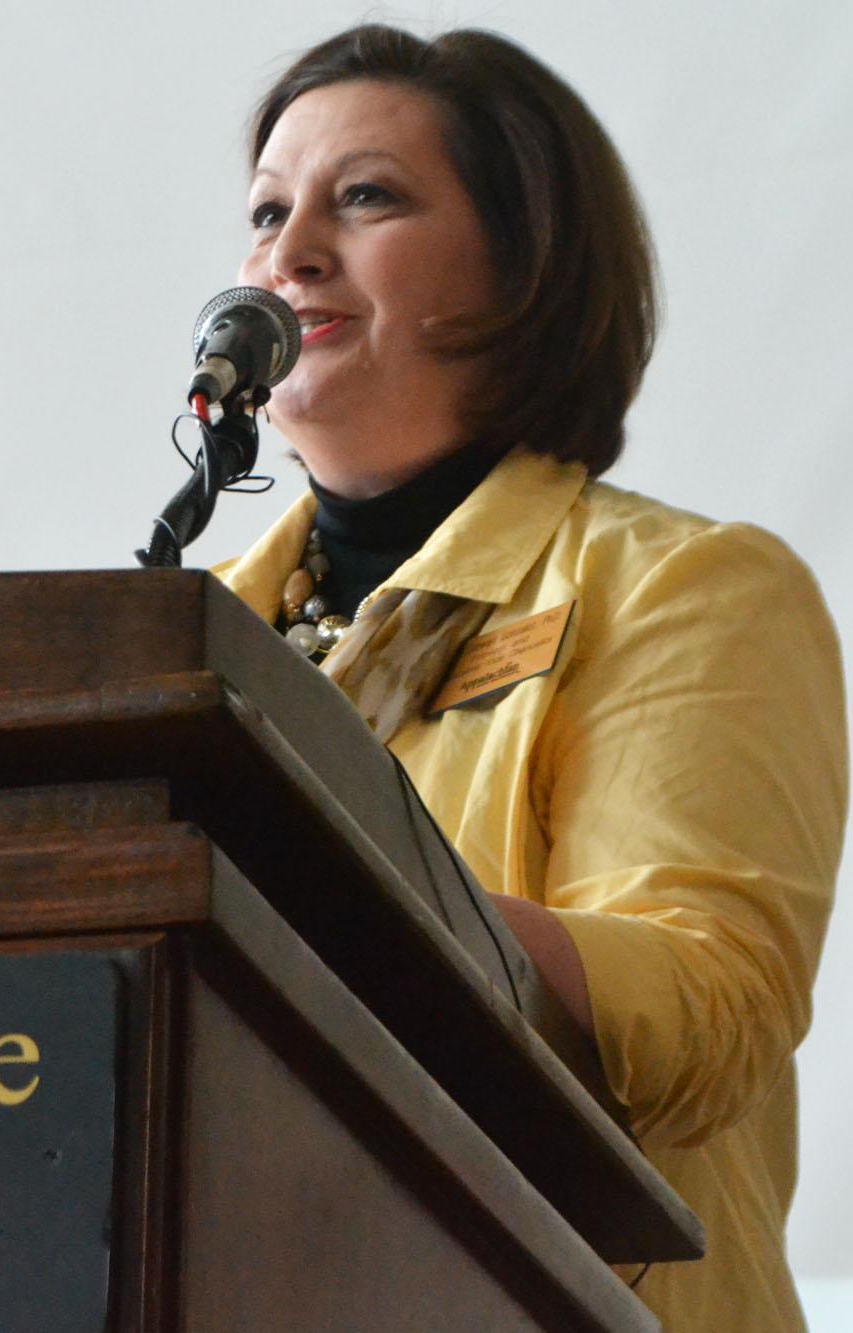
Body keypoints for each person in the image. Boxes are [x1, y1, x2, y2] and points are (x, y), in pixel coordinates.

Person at [209, 25, 846, 1331]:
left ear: (524, 263)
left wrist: (342, 919)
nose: (291, 253)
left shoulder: (681, 588)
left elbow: (705, 1003)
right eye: (269, 210)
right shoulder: (181, 639)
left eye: (366, 196)